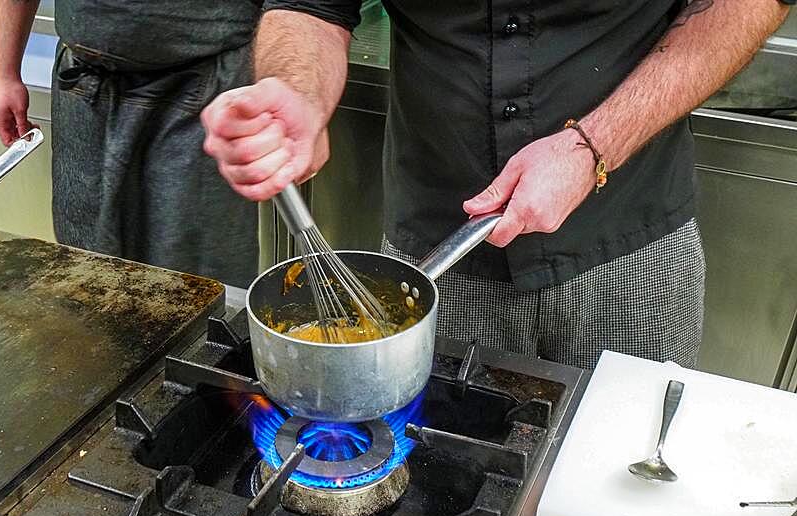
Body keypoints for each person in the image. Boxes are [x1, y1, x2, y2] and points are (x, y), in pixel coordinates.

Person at [201, 0, 792, 368]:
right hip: (437, 256)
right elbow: (311, 5)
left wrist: (594, 146)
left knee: (625, 481)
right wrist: (298, 91)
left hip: (631, 240)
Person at [0, 1, 262, 288]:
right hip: (85, 90)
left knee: (197, 284)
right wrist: (6, 74)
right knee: (88, 272)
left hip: (204, 93)